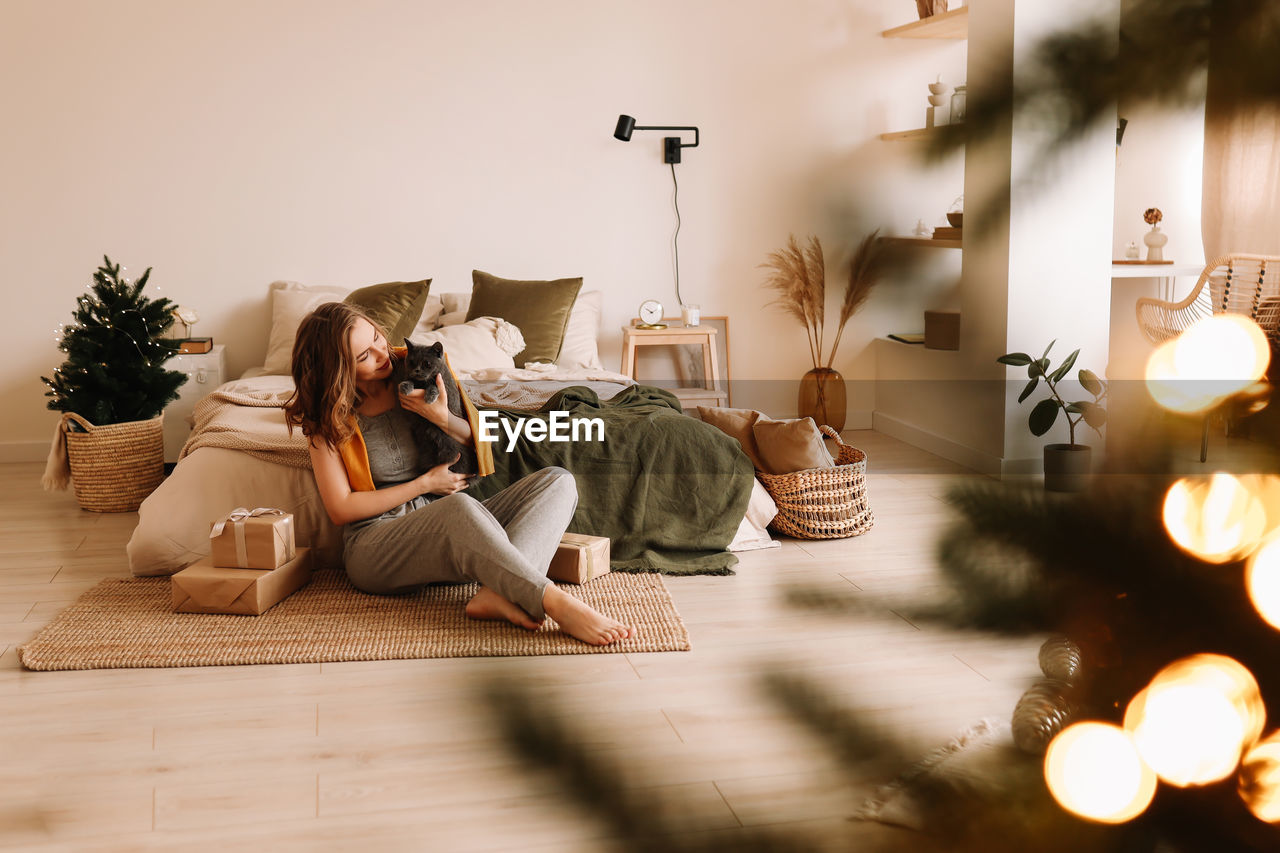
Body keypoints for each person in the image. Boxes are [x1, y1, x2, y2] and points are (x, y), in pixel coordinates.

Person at [284, 301, 633, 646]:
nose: (382, 353)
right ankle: (556, 601)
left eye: (377, 337)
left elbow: (480, 443)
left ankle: (497, 595)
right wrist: (424, 484)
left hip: (444, 527)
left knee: (558, 481)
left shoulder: (419, 368)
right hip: (376, 546)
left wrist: (440, 417)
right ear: (338, 369)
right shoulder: (326, 421)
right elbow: (340, 508)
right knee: (459, 509)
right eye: (364, 356)